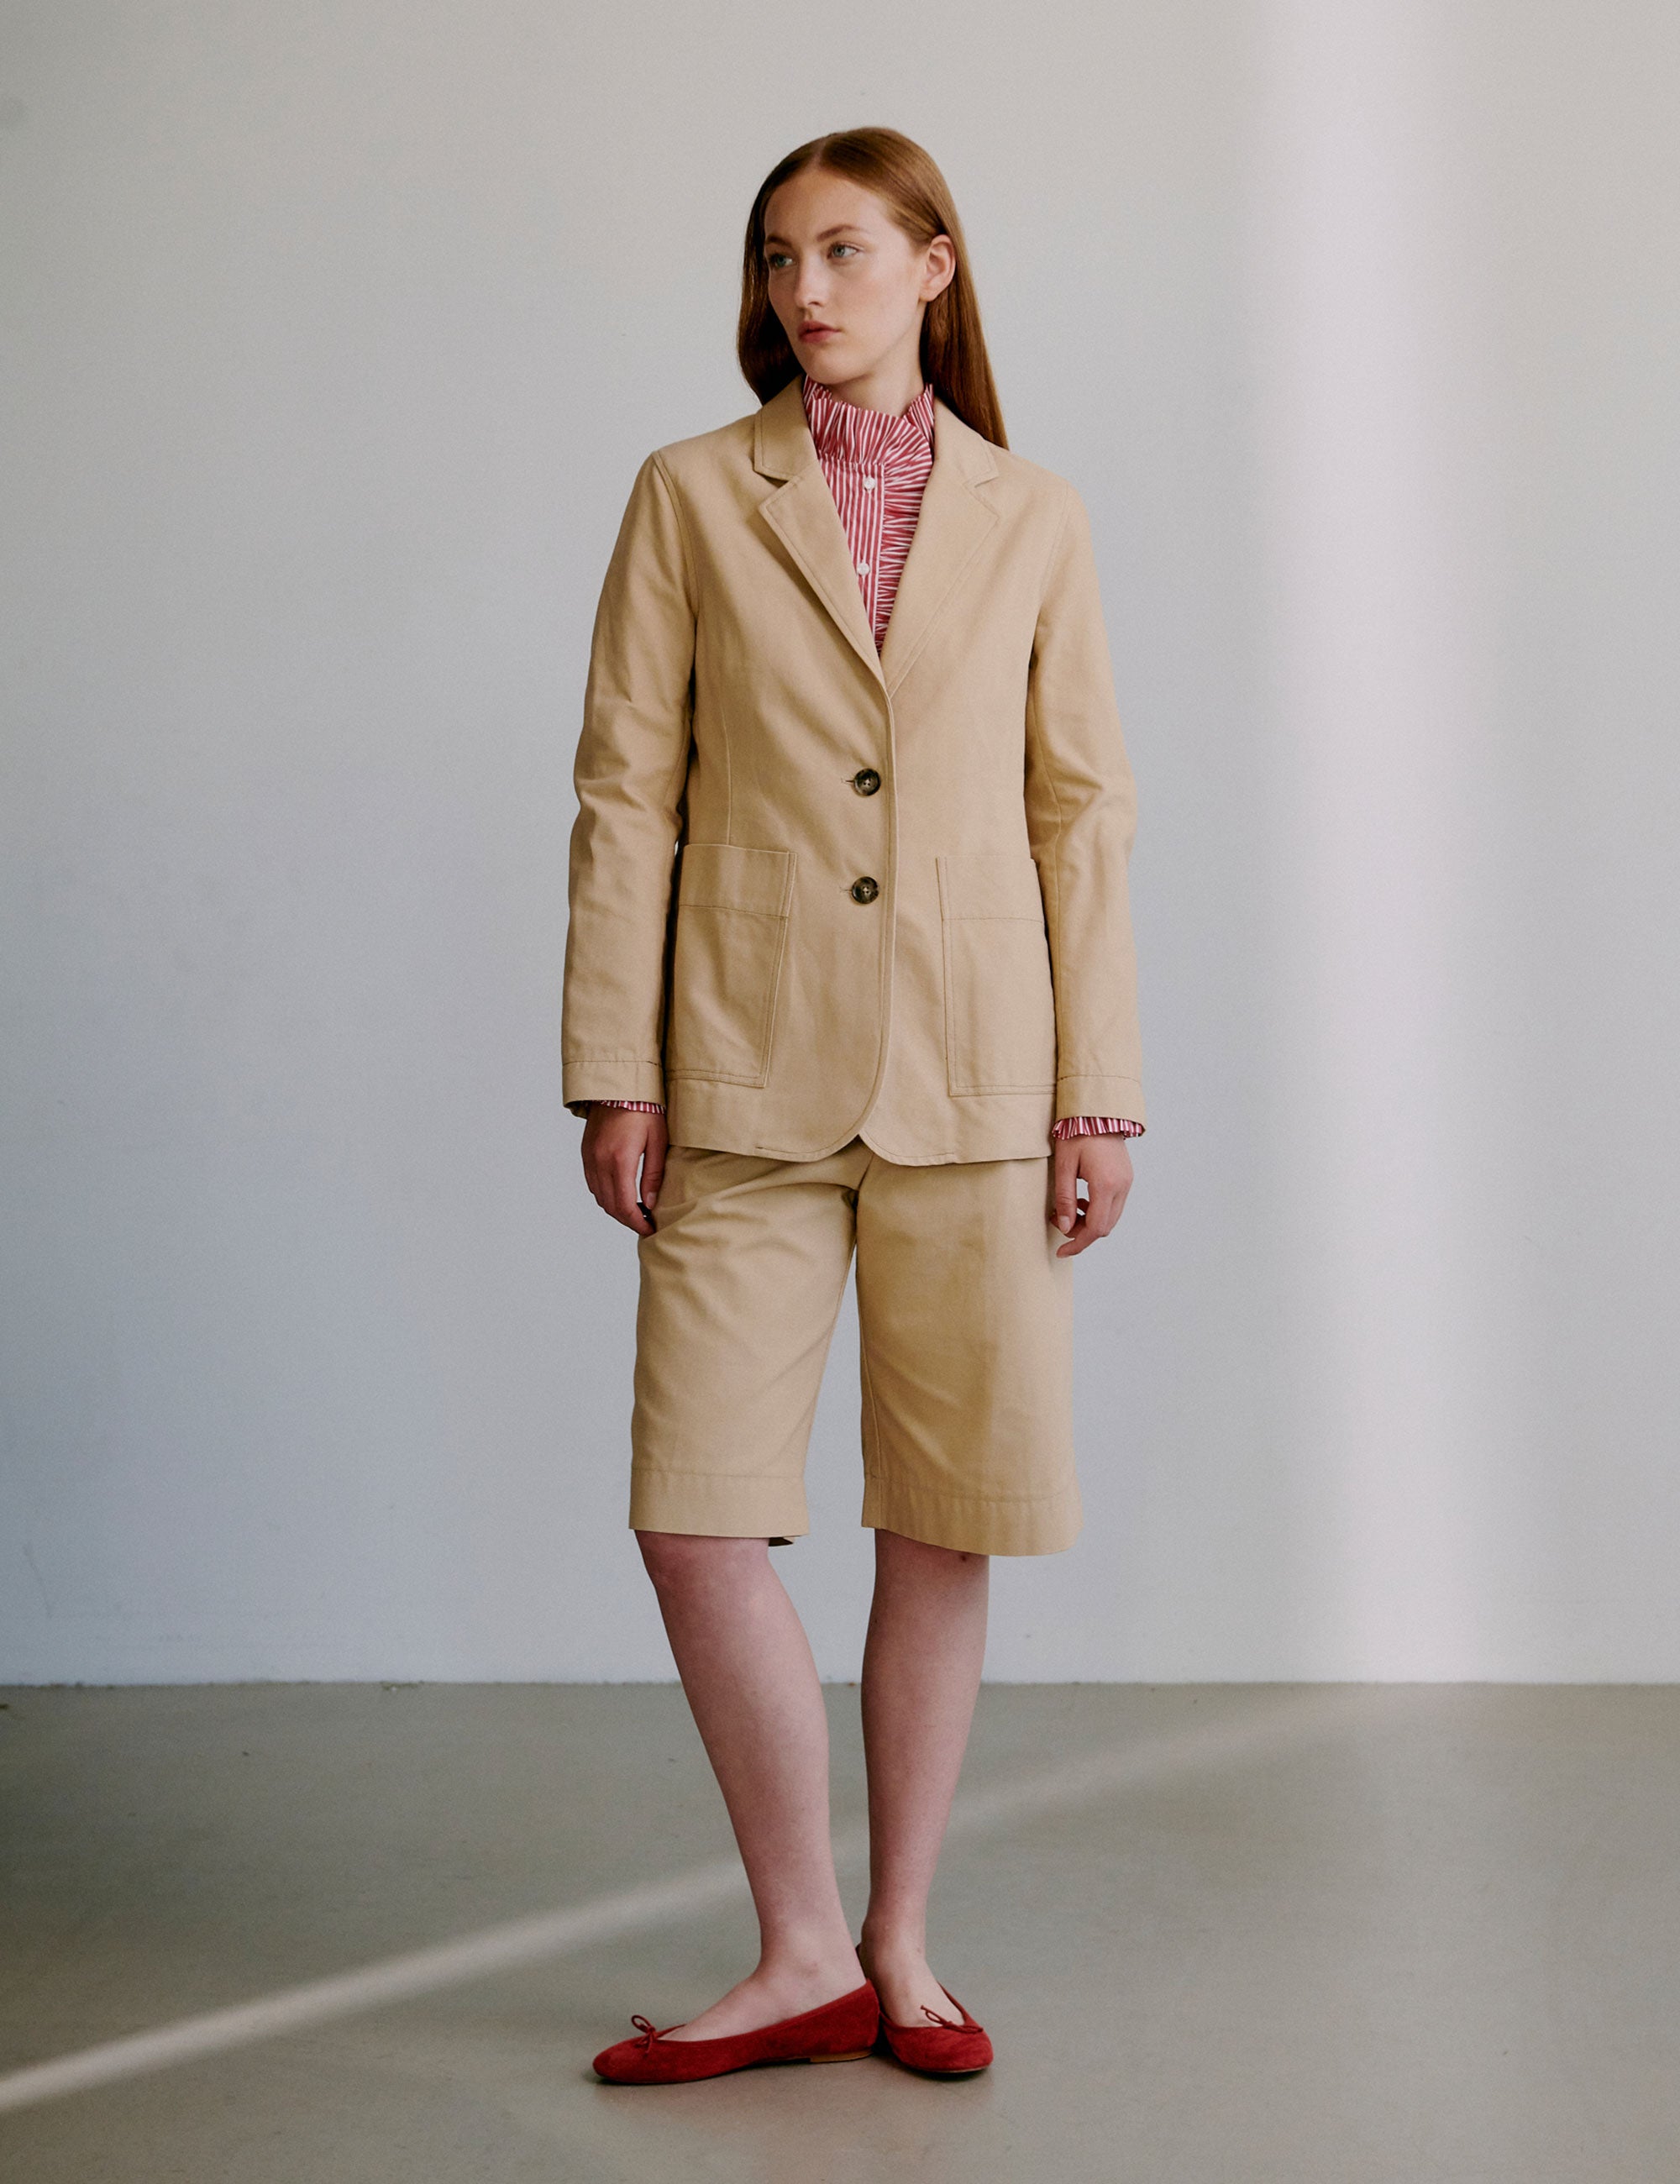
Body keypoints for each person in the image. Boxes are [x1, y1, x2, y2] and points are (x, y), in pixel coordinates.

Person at [564, 126, 1146, 2087]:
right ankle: (796, 1942)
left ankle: (898, 1942)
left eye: (841, 251)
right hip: (738, 1062)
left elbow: (1080, 813)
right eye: (776, 255)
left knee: (938, 1513)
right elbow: (626, 790)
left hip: (981, 1072)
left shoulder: (1033, 513)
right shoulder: (686, 495)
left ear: (932, 269)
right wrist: (615, 1063)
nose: (804, 289)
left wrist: (1100, 1096)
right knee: (697, 1508)